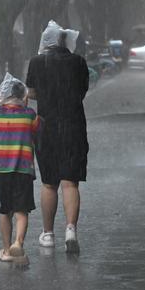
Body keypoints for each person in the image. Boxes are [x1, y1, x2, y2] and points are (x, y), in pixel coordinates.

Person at [26, 20, 89, 254]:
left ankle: (48, 234)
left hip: (47, 127)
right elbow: (82, 91)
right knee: (70, 182)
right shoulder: (78, 62)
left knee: (49, 183)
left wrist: (44, 94)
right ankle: (71, 229)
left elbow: (31, 92)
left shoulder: (37, 62)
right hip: (74, 126)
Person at [0, 73, 39, 265]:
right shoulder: (29, 115)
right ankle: (18, 243)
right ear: (23, 96)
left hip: (1, 170)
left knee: (5, 210)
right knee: (21, 211)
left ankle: (6, 249)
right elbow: (37, 130)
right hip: (24, 170)